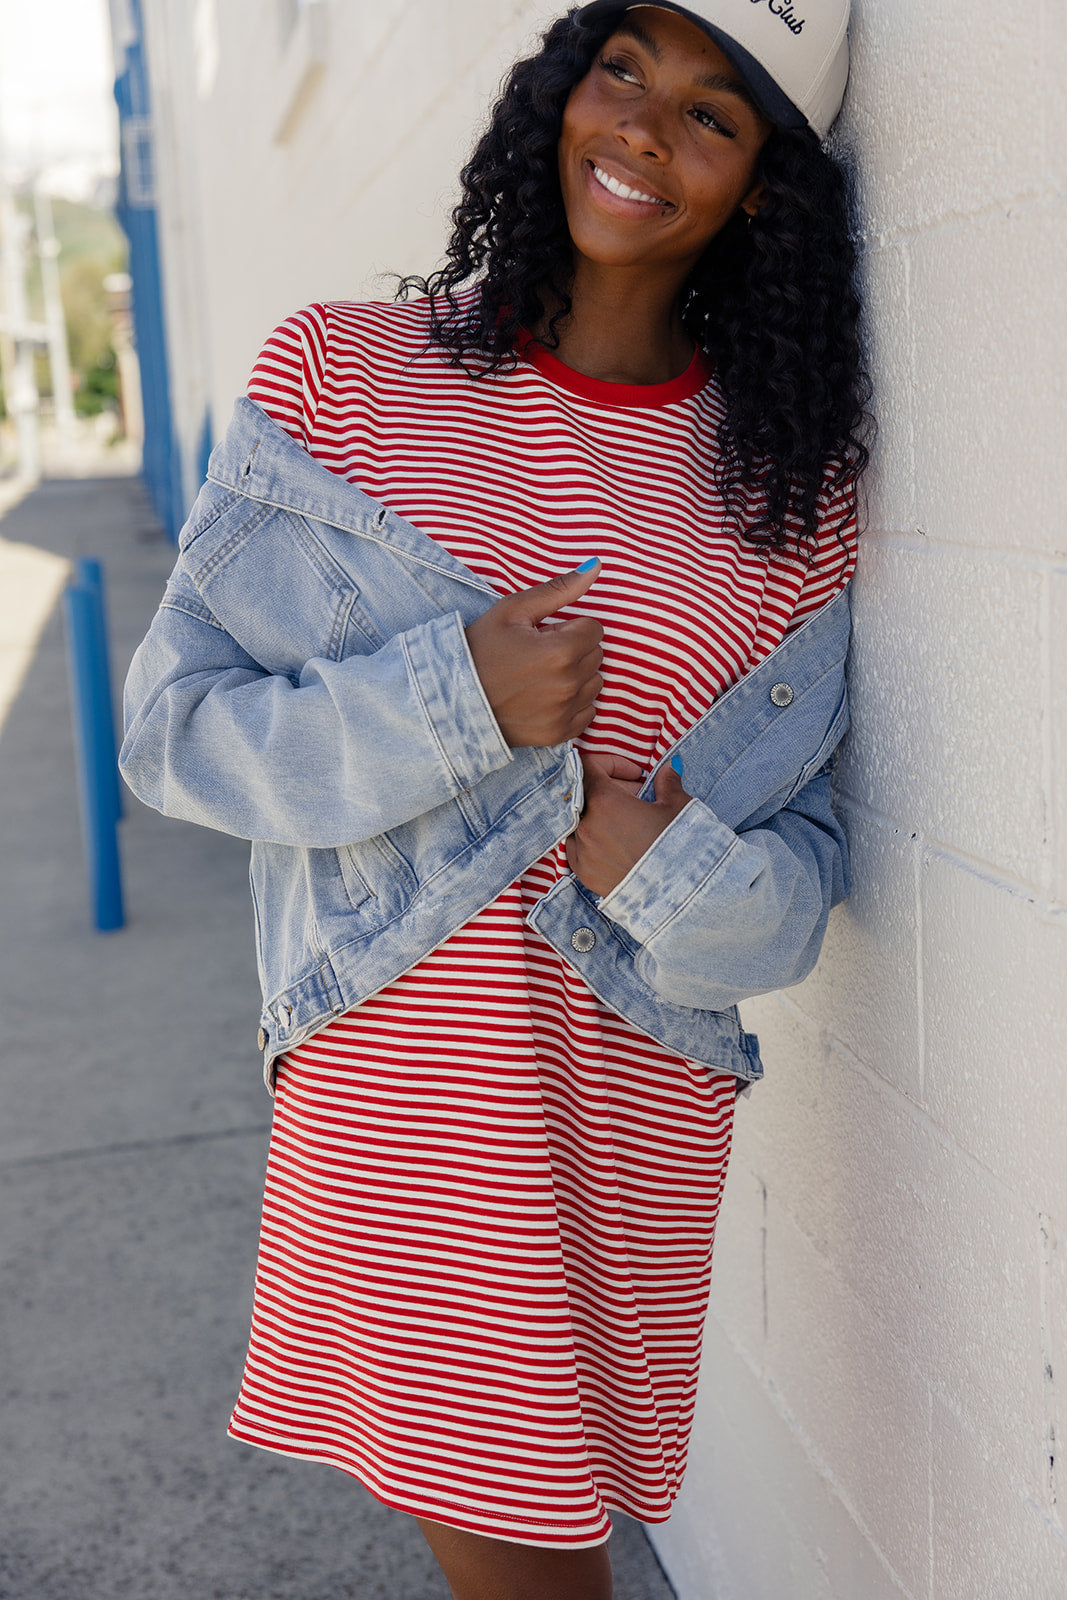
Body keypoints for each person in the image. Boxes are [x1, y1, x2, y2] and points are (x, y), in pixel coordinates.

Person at [120, 2, 870, 1596]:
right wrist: (453, 696)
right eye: (624, 69)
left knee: (548, 1544)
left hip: (629, 1102)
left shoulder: (788, 494)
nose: (647, 132)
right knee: (527, 1554)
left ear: (766, 185)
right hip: (405, 1085)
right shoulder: (344, 374)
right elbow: (175, 733)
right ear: (563, 83)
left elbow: (805, 877)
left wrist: (663, 864)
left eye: (714, 115)